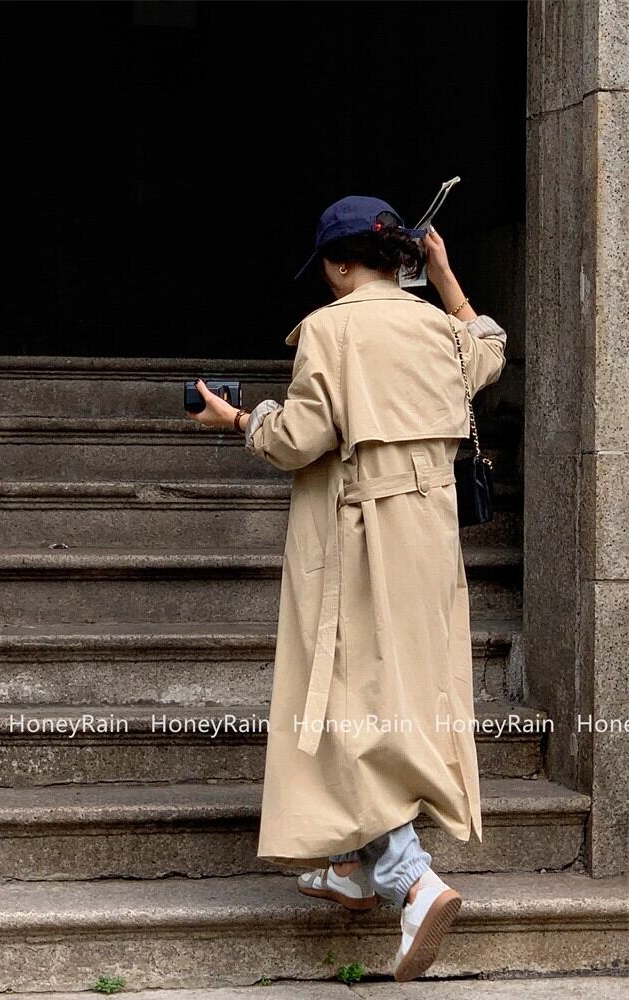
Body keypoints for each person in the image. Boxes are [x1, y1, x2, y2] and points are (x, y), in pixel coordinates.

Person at [186, 195, 507, 982]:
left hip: (358, 540)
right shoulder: (440, 330)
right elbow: (491, 346)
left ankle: (411, 880)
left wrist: (239, 419)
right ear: (402, 258)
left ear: (336, 264)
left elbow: (298, 439)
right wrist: (445, 276)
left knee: (342, 701)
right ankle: (350, 869)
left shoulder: (330, 330)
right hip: (429, 544)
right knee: (396, 696)